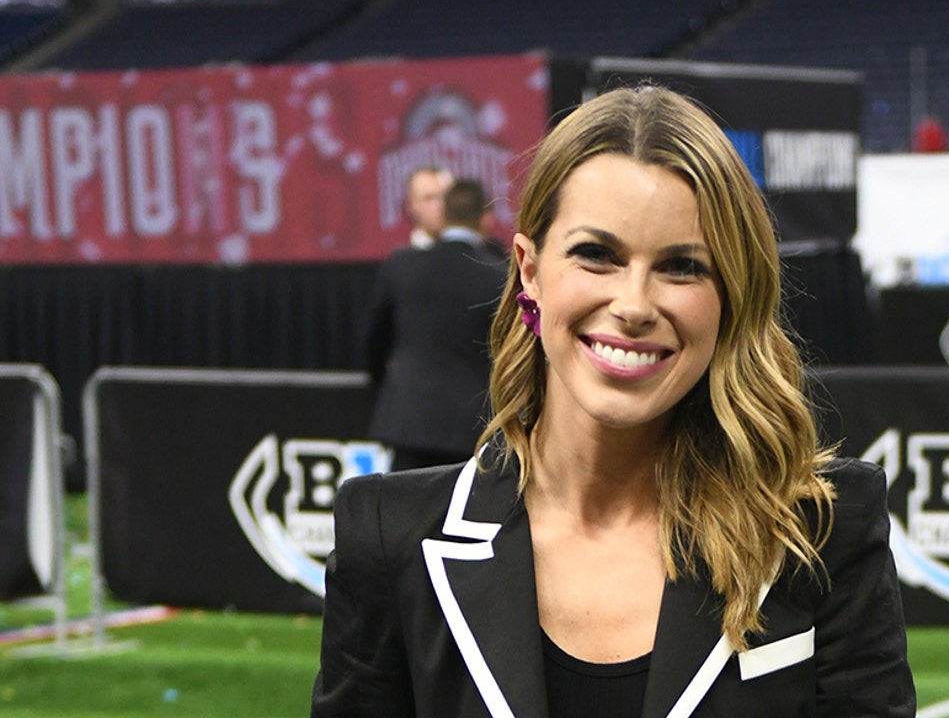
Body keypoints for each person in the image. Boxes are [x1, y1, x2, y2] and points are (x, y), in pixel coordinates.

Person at [313, 85, 916, 717]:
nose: (633, 305)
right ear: (528, 268)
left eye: (682, 267)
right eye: (596, 256)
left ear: (732, 295)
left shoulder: (822, 532)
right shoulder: (388, 536)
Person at [362, 178, 507, 471]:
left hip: (409, 422)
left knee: (404, 515)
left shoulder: (402, 266)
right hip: (473, 429)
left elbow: (373, 340)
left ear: (444, 216)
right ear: (486, 220)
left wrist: (390, 384)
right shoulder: (499, 276)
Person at [403, 166, 454, 248]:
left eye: (446, 196)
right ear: (411, 205)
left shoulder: (474, 251)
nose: (440, 205)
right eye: (429, 198)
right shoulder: (403, 258)